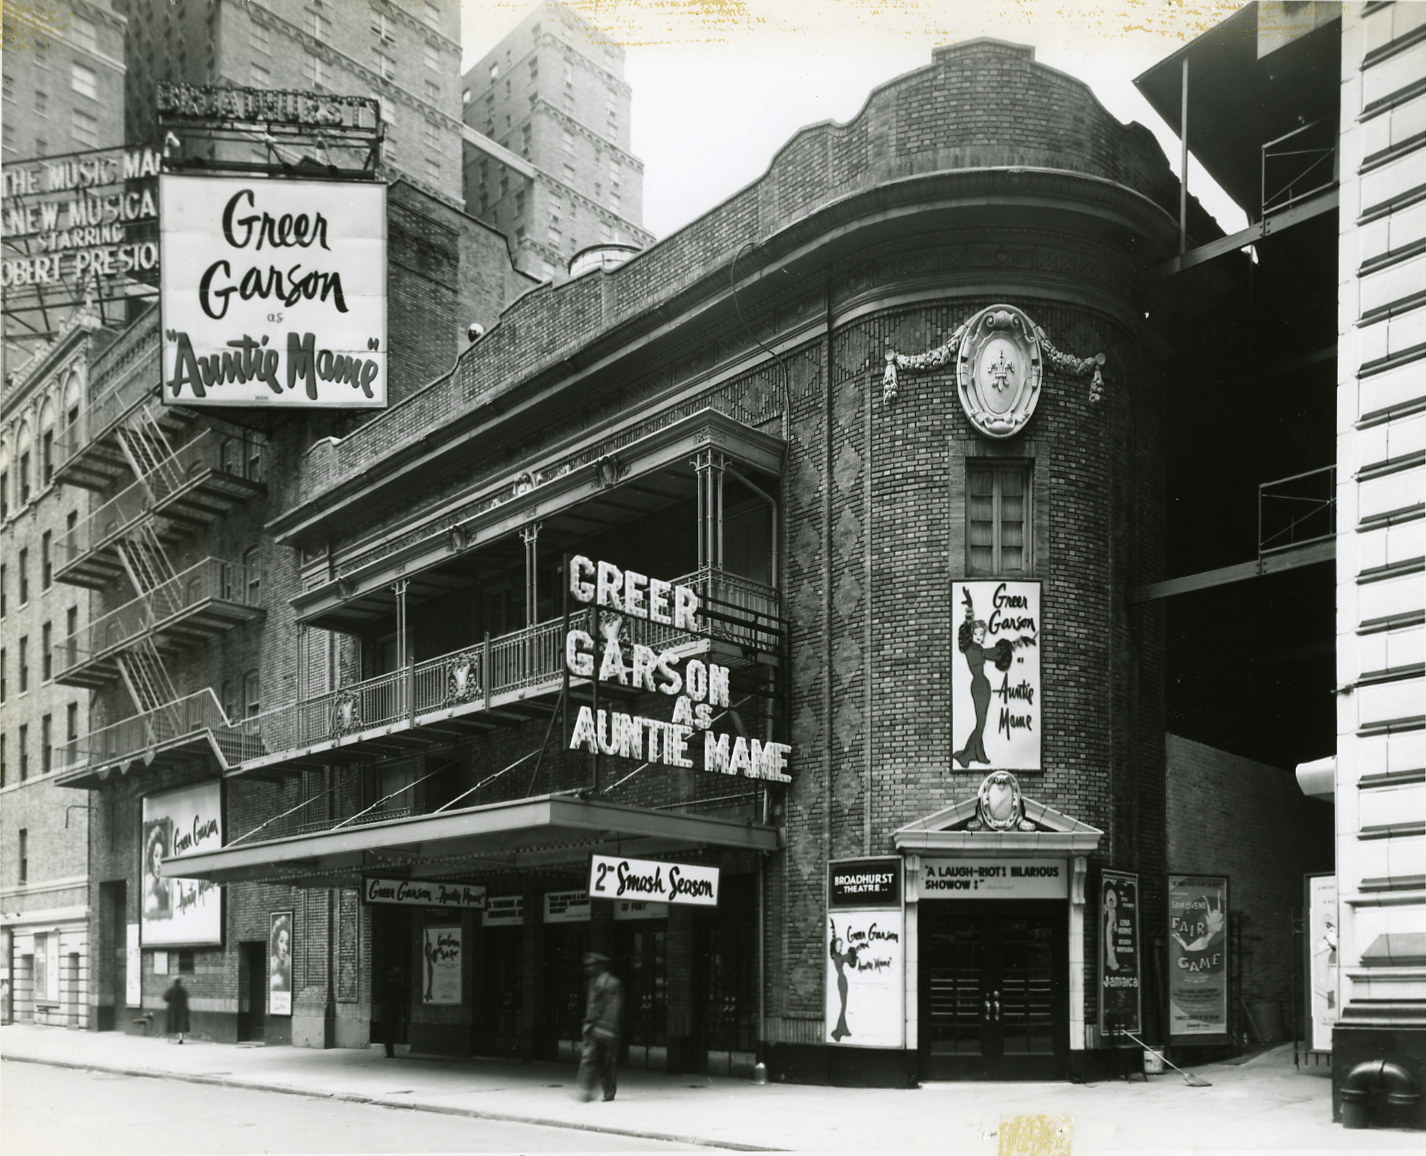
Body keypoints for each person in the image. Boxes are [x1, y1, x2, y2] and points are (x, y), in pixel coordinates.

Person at [577, 952, 623, 1102]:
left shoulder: (613, 983)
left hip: (606, 1031)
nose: (589, 968)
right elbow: (591, 1007)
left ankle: (609, 1092)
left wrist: (606, 1030)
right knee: (590, 1059)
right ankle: (587, 1091)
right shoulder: (592, 983)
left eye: (592, 966)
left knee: (607, 1062)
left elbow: (613, 1009)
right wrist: (587, 1025)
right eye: (588, 966)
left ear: (599, 966)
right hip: (593, 1029)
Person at [828, 921, 859, 1043]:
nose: (840, 946)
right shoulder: (836, 956)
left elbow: (847, 957)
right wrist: (833, 930)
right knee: (843, 1005)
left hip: (842, 980)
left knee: (844, 1005)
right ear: (835, 946)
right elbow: (845, 956)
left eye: (841, 944)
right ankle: (838, 1031)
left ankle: (843, 1029)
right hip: (841, 980)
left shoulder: (838, 955)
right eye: (839, 945)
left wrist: (834, 928)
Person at [143, 825, 171, 920]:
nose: (159, 862)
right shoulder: (146, 882)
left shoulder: (166, 882)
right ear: (151, 858)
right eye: (156, 856)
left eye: (162, 856)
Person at [379, 967, 405, 1058]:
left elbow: (380, 998)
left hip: (386, 1011)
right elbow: (403, 999)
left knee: (386, 1032)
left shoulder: (384, 986)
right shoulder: (399, 986)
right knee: (393, 1030)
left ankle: (389, 1052)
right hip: (395, 1011)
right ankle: (392, 1051)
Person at [163, 976, 190, 1044]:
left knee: (172, 1023)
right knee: (181, 1024)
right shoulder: (183, 990)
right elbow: (186, 998)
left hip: (173, 1009)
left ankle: (169, 1038)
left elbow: (165, 997)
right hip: (182, 1009)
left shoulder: (171, 989)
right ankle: (180, 1038)